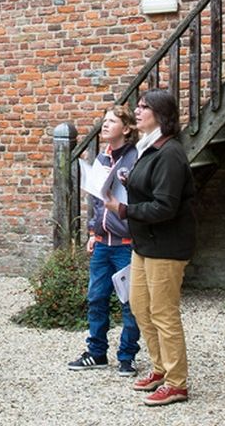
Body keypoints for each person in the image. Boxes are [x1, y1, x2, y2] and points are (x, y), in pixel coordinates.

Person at [113, 89, 197, 407]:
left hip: (167, 246)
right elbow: (150, 187)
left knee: (164, 313)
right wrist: (127, 181)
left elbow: (165, 207)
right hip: (145, 243)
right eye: (139, 105)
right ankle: (160, 368)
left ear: (161, 115)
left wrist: (123, 210)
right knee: (140, 307)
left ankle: (177, 383)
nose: (138, 110)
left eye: (145, 107)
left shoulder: (170, 153)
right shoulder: (149, 148)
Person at [66, 107, 142, 375]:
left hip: (126, 244)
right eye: (104, 121)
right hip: (101, 243)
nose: (105, 125)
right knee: (96, 298)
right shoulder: (101, 158)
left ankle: (127, 356)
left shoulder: (135, 158)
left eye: (111, 121)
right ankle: (96, 352)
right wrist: (91, 232)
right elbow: (96, 201)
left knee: (130, 302)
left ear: (127, 128)